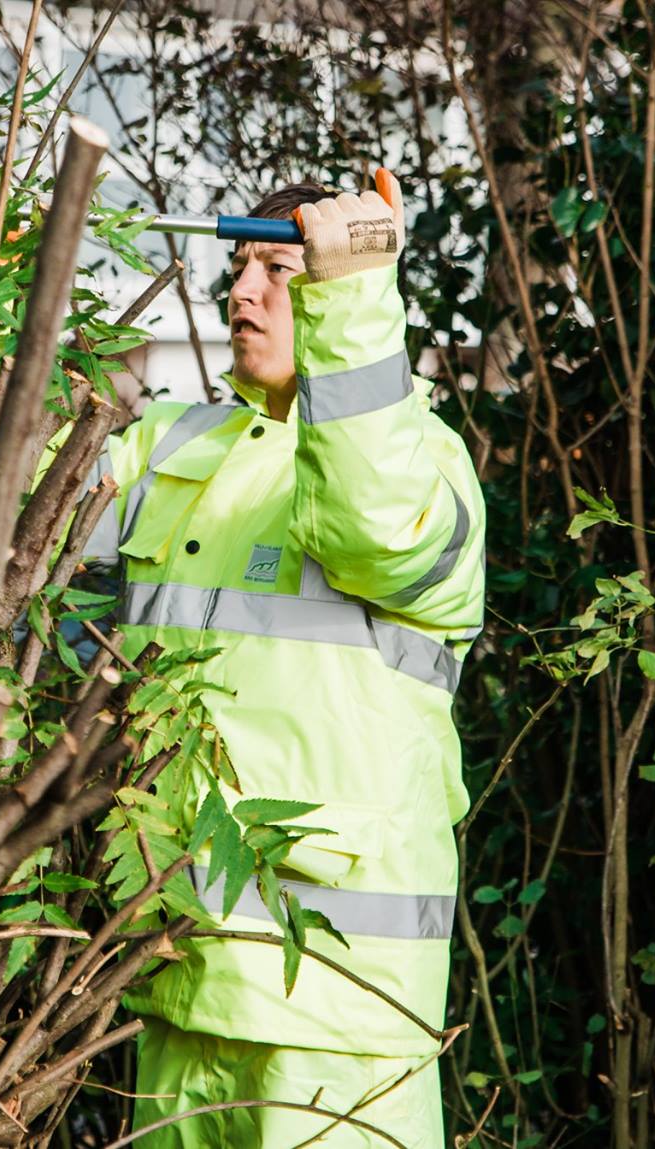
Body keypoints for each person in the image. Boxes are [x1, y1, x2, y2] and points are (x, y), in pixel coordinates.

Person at [68, 169, 484, 1147]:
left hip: (336, 1006)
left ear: (347, 290)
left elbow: (366, 522)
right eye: (238, 266)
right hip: (174, 978)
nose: (240, 292)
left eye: (280, 270)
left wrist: (351, 296)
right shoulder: (168, 448)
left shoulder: (415, 462)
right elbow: (30, 591)